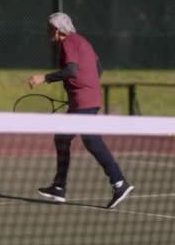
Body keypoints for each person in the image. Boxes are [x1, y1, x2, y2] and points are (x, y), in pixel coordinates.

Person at [28, 12, 134, 209]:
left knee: (91, 139)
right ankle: (59, 187)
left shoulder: (68, 42)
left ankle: (119, 183)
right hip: (84, 99)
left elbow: (71, 71)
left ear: (58, 30)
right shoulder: (83, 42)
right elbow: (98, 70)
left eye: (49, 29)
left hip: (84, 100)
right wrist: (84, 89)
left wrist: (44, 78)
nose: (47, 32)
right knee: (62, 137)